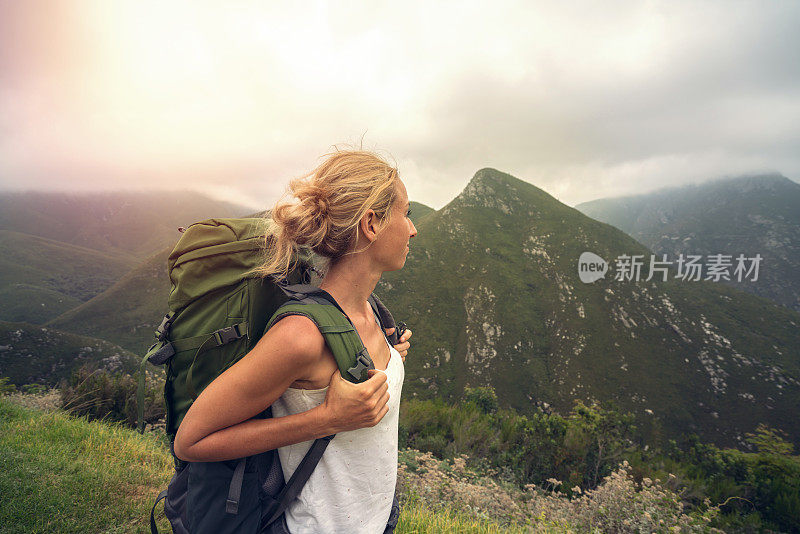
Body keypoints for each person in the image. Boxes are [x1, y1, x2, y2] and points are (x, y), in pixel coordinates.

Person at [173, 149, 417, 533]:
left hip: (376, 522)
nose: (413, 229)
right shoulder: (301, 336)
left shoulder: (369, 312)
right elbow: (192, 441)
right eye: (406, 214)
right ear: (371, 223)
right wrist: (327, 419)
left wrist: (390, 355)